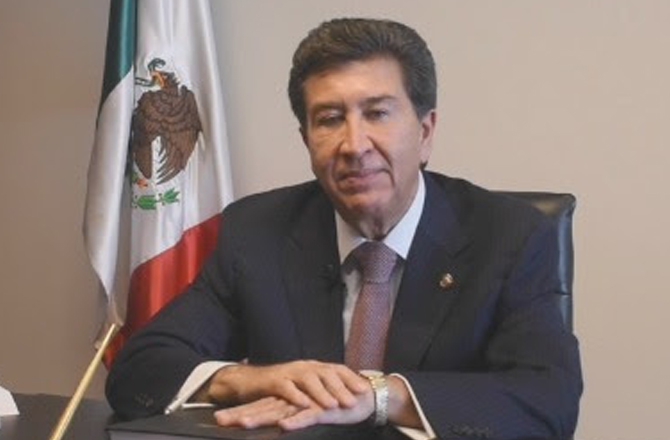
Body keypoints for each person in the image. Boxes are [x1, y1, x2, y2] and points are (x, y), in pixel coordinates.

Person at [106, 17, 583, 440]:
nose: (354, 145)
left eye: (377, 113)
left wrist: (378, 396)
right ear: (306, 139)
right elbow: (140, 370)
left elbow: (548, 399)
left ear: (425, 132)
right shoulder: (258, 231)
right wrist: (248, 380)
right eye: (330, 120)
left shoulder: (509, 235)